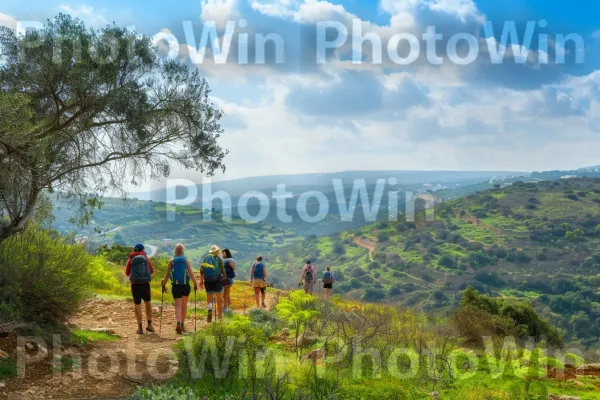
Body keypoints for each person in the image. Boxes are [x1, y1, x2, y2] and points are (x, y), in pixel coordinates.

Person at [161, 243, 199, 334]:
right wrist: (195, 284)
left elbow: (167, 275)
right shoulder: (186, 261)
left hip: (176, 286)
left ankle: (178, 323)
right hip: (185, 286)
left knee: (178, 306)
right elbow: (190, 273)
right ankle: (182, 324)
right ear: (183, 251)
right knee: (184, 306)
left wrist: (164, 285)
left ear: (175, 250)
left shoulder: (171, 261)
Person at [125, 244, 154, 334]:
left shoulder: (131, 259)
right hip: (145, 284)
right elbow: (152, 270)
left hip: (135, 285)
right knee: (147, 302)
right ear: (142, 250)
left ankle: (140, 327)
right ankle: (149, 325)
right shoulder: (145, 258)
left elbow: (126, 272)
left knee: (137, 304)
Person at [200, 245, 226, 323]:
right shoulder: (218, 259)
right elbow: (222, 270)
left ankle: (210, 309)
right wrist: (224, 277)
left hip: (207, 281)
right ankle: (220, 317)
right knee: (219, 300)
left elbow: (201, 270)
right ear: (217, 251)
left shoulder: (206, 258)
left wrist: (201, 281)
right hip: (217, 281)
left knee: (210, 298)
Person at [222, 249, 236, 313]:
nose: (222, 254)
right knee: (226, 294)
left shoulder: (228, 260)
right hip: (228, 278)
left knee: (225, 294)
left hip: (225, 278)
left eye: (223, 253)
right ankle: (227, 307)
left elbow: (233, 267)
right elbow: (233, 268)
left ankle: (225, 307)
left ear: (227, 253)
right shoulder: (231, 260)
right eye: (222, 253)